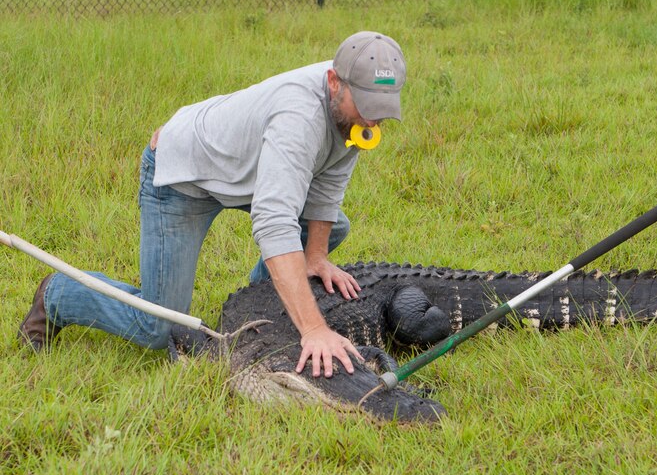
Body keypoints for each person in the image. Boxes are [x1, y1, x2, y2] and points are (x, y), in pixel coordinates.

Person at [18, 31, 407, 378]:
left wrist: (317, 256)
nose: (373, 120)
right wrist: (314, 329)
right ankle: (60, 295)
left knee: (331, 226)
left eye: (382, 107)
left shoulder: (355, 108)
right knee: (156, 327)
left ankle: (260, 306)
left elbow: (329, 181)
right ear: (334, 82)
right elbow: (274, 223)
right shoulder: (299, 118)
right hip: (184, 177)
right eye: (366, 105)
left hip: (244, 172)